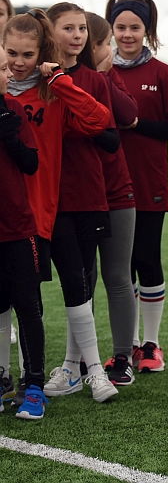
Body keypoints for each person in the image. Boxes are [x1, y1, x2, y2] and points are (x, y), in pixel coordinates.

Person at [3, 9, 111, 402]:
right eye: (10, 53)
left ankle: (91, 371)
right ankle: (8, 380)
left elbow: (99, 120)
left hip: (41, 214)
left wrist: (59, 79)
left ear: (41, 54)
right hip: (5, 216)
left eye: (27, 55)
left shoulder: (50, 93)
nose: (18, 63)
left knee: (63, 292)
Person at [106, 0, 168, 373]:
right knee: (114, 268)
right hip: (105, 185)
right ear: (111, 30)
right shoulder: (100, 74)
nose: (127, 34)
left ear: (147, 32)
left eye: (134, 28)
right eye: (121, 27)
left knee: (145, 259)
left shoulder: (162, 74)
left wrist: (138, 125)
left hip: (148, 182)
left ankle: (151, 345)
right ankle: (121, 348)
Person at [40, 3, 119, 402]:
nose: (77, 35)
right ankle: (85, 369)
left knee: (82, 281)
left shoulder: (93, 79)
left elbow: (108, 133)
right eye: (67, 28)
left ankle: (74, 369)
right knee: (72, 279)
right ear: (50, 34)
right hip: (50, 197)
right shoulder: (38, 80)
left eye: (82, 28)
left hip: (89, 193)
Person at [85, 11, 139, 386]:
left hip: (117, 191)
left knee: (117, 277)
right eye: (105, 43)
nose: (112, 49)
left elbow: (128, 113)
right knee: (82, 279)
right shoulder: (62, 82)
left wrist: (106, 73)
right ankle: (80, 362)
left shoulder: (105, 78)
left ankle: (123, 357)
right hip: (78, 196)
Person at [0, 45, 48, 418]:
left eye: (6, 68)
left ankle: (34, 385)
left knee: (28, 308)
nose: (7, 74)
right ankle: (3, 382)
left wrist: (11, 139)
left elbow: (31, 163)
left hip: (17, 226)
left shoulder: (13, 111)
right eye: (2, 68)